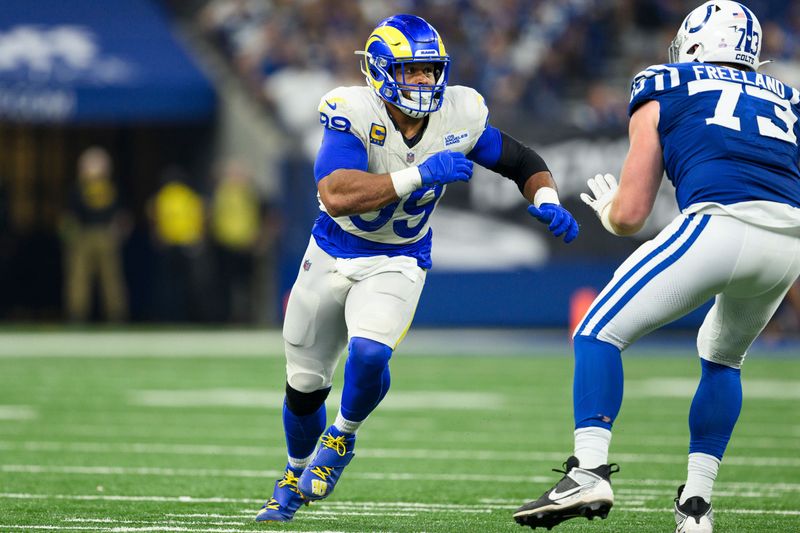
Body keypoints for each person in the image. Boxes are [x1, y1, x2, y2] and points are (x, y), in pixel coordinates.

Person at [256, 13, 578, 522]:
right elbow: (335, 194)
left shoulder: (459, 112)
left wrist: (545, 196)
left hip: (398, 258)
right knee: (304, 383)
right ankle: (294, 472)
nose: (425, 81)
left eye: (431, 70)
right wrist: (418, 174)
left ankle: (340, 440)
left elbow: (519, 159)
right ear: (383, 72)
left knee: (369, 352)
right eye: (412, 70)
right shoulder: (354, 109)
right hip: (331, 251)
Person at [512, 3, 800, 532]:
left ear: (693, 42)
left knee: (598, 331)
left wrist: (608, 211)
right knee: (722, 358)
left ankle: (590, 470)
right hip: (787, 244)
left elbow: (631, 214)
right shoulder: (789, 97)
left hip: (719, 225)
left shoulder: (665, 81)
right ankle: (695, 507)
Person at [61, 146, 129, 322]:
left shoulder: (112, 188)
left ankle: (116, 315)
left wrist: (119, 230)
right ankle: (77, 314)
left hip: (106, 235)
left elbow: (121, 214)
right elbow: (69, 215)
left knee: (111, 278)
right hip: (83, 235)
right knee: (78, 277)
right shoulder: (78, 188)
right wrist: (70, 235)